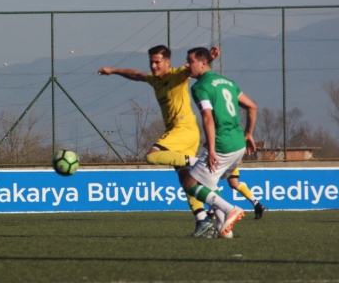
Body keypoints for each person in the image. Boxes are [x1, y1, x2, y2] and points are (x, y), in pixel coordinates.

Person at [98, 45, 264, 237]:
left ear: (168, 62)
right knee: (189, 181)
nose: (153, 66)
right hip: (181, 133)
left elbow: (200, 69)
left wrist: (210, 56)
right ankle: (205, 221)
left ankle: (197, 167)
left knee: (152, 157)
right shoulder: (154, 80)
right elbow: (135, 74)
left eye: (157, 62)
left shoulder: (178, 75)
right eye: (151, 62)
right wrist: (112, 70)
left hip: (184, 129)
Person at [181, 47, 258, 237]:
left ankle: (230, 209)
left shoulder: (199, 87)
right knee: (211, 183)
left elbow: (207, 117)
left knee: (189, 183)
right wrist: (248, 134)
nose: (187, 65)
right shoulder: (229, 82)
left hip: (222, 144)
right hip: (238, 144)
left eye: (190, 61)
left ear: (203, 63)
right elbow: (252, 106)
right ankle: (223, 229)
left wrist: (212, 150)